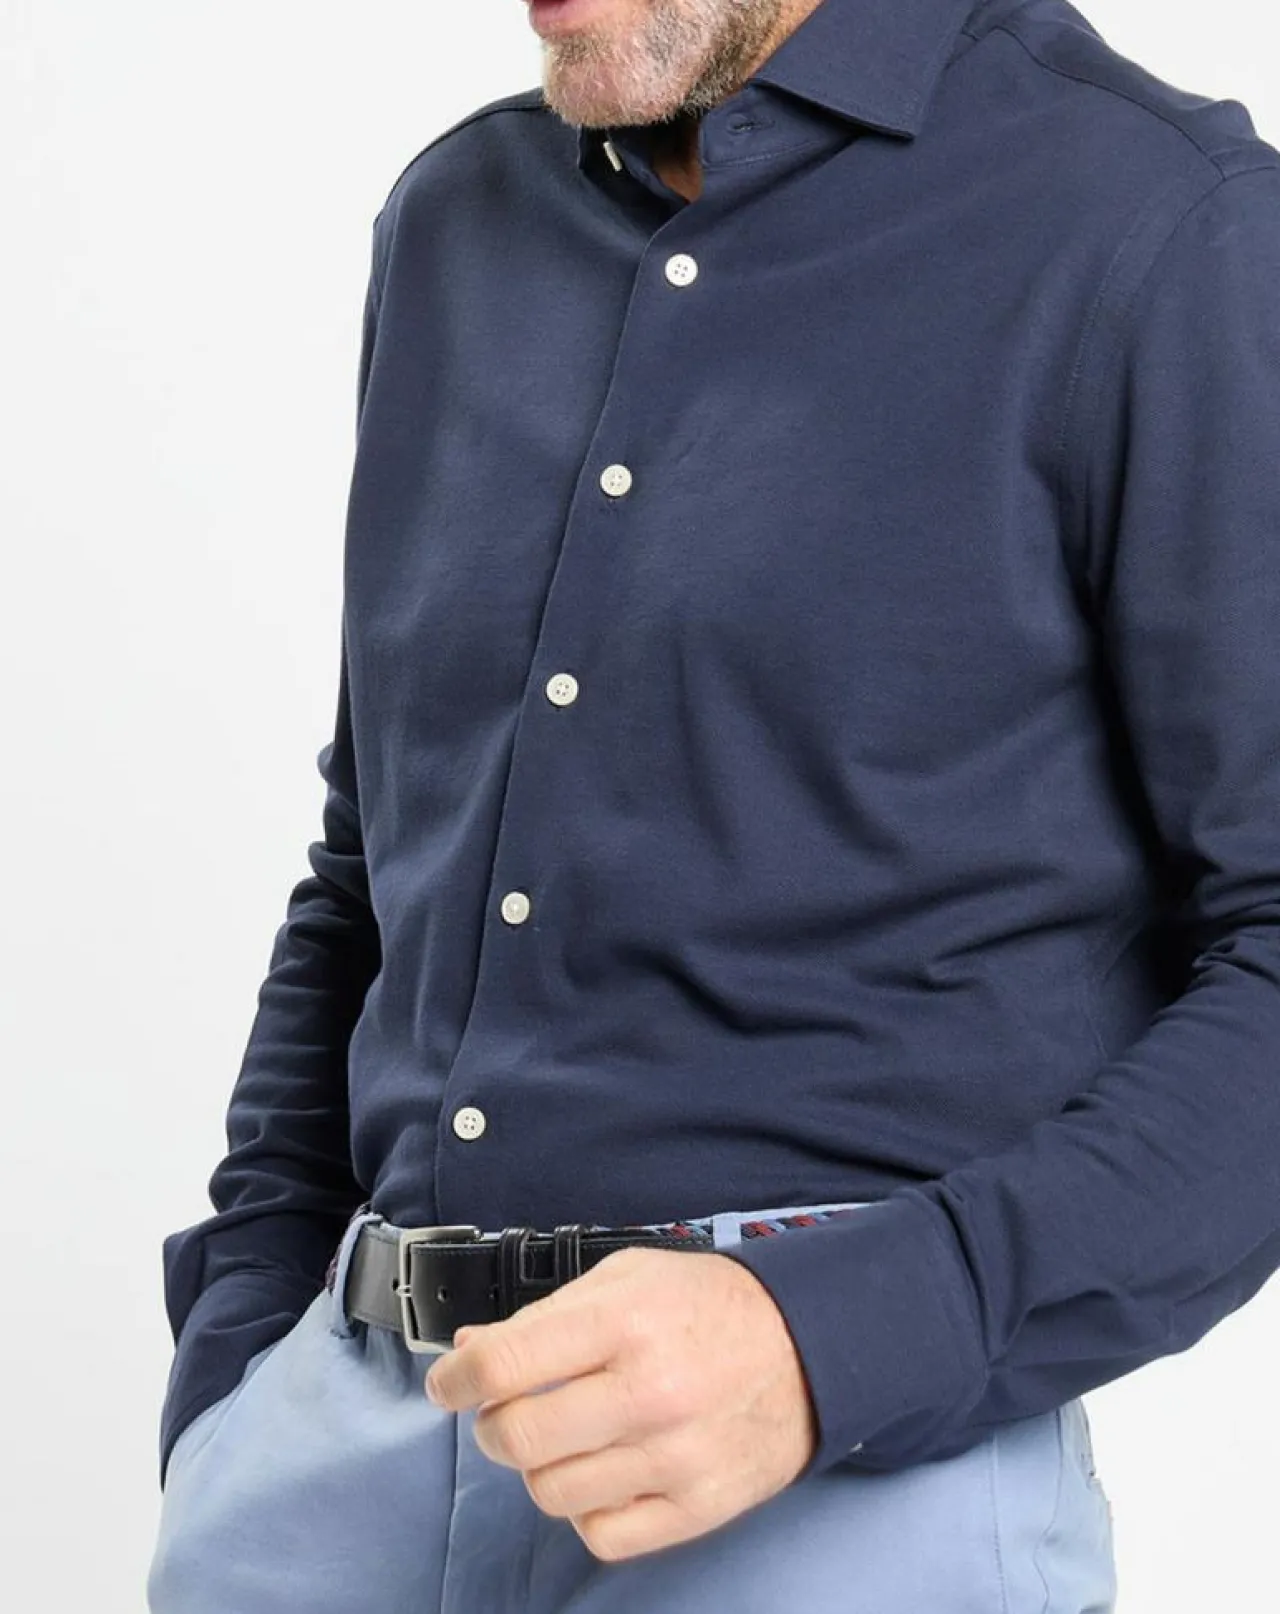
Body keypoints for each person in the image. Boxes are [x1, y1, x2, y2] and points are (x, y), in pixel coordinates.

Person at [145, 0, 1280, 1609]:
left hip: (825, 1489)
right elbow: (376, 858)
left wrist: (826, 1342)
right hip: (330, 1475)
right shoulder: (455, 222)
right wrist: (239, 1359)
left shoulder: (1159, 225)